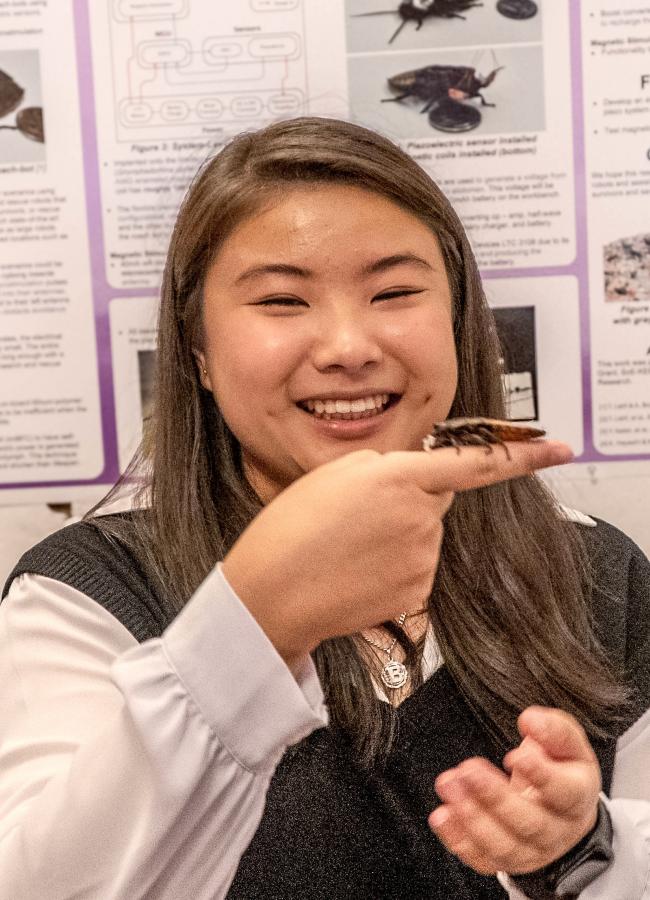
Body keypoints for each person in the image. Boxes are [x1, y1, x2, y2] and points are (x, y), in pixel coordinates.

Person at [0, 117, 648, 900]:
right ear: (200, 352)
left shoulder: (597, 572)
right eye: (281, 300)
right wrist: (254, 623)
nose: (347, 345)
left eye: (396, 292)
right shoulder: (85, 591)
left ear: (458, 320)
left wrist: (581, 850)